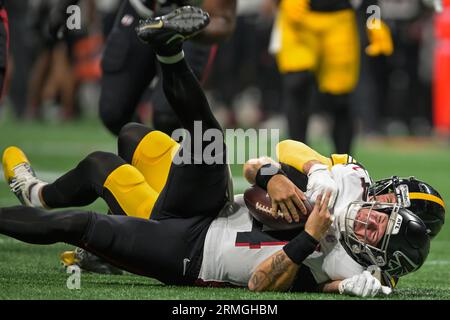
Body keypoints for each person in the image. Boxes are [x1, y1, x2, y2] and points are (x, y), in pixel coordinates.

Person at [1, 7, 432, 297]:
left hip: (187, 253)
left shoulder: (345, 267)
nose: (369, 215)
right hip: (218, 208)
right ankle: (169, 50)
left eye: (377, 227)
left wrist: (313, 241)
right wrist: (281, 175)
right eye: (380, 211)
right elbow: (262, 158)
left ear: (378, 254)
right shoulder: (350, 185)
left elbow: (261, 285)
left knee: (82, 215)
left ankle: (38, 200)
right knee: (203, 140)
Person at [47, 0, 236, 135]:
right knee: (114, 113)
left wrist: (186, 28)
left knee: (168, 117)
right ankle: (147, 158)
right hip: (140, 12)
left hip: (189, 21)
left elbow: (223, 20)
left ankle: (181, 173)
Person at [272, 0, 394, 154]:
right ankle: (297, 162)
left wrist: (374, 20)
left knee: (340, 98)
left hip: (340, 19)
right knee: (297, 83)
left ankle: (343, 164)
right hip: (299, 17)